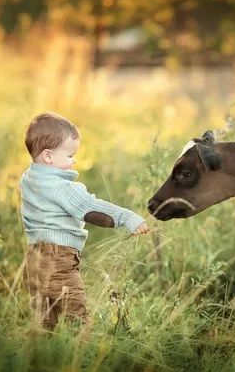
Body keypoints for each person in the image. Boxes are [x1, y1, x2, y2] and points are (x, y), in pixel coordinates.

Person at [20, 111, 149, 331]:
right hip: (59, 259)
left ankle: (37, 357)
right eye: (70, 155)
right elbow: (90, 207)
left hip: (34, 258)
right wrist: (127, 217)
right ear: (48, 156)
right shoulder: (63, 187)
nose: (75, 160)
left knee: (43, 321)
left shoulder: (28, 179)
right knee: (76, 316)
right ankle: (81, 356)